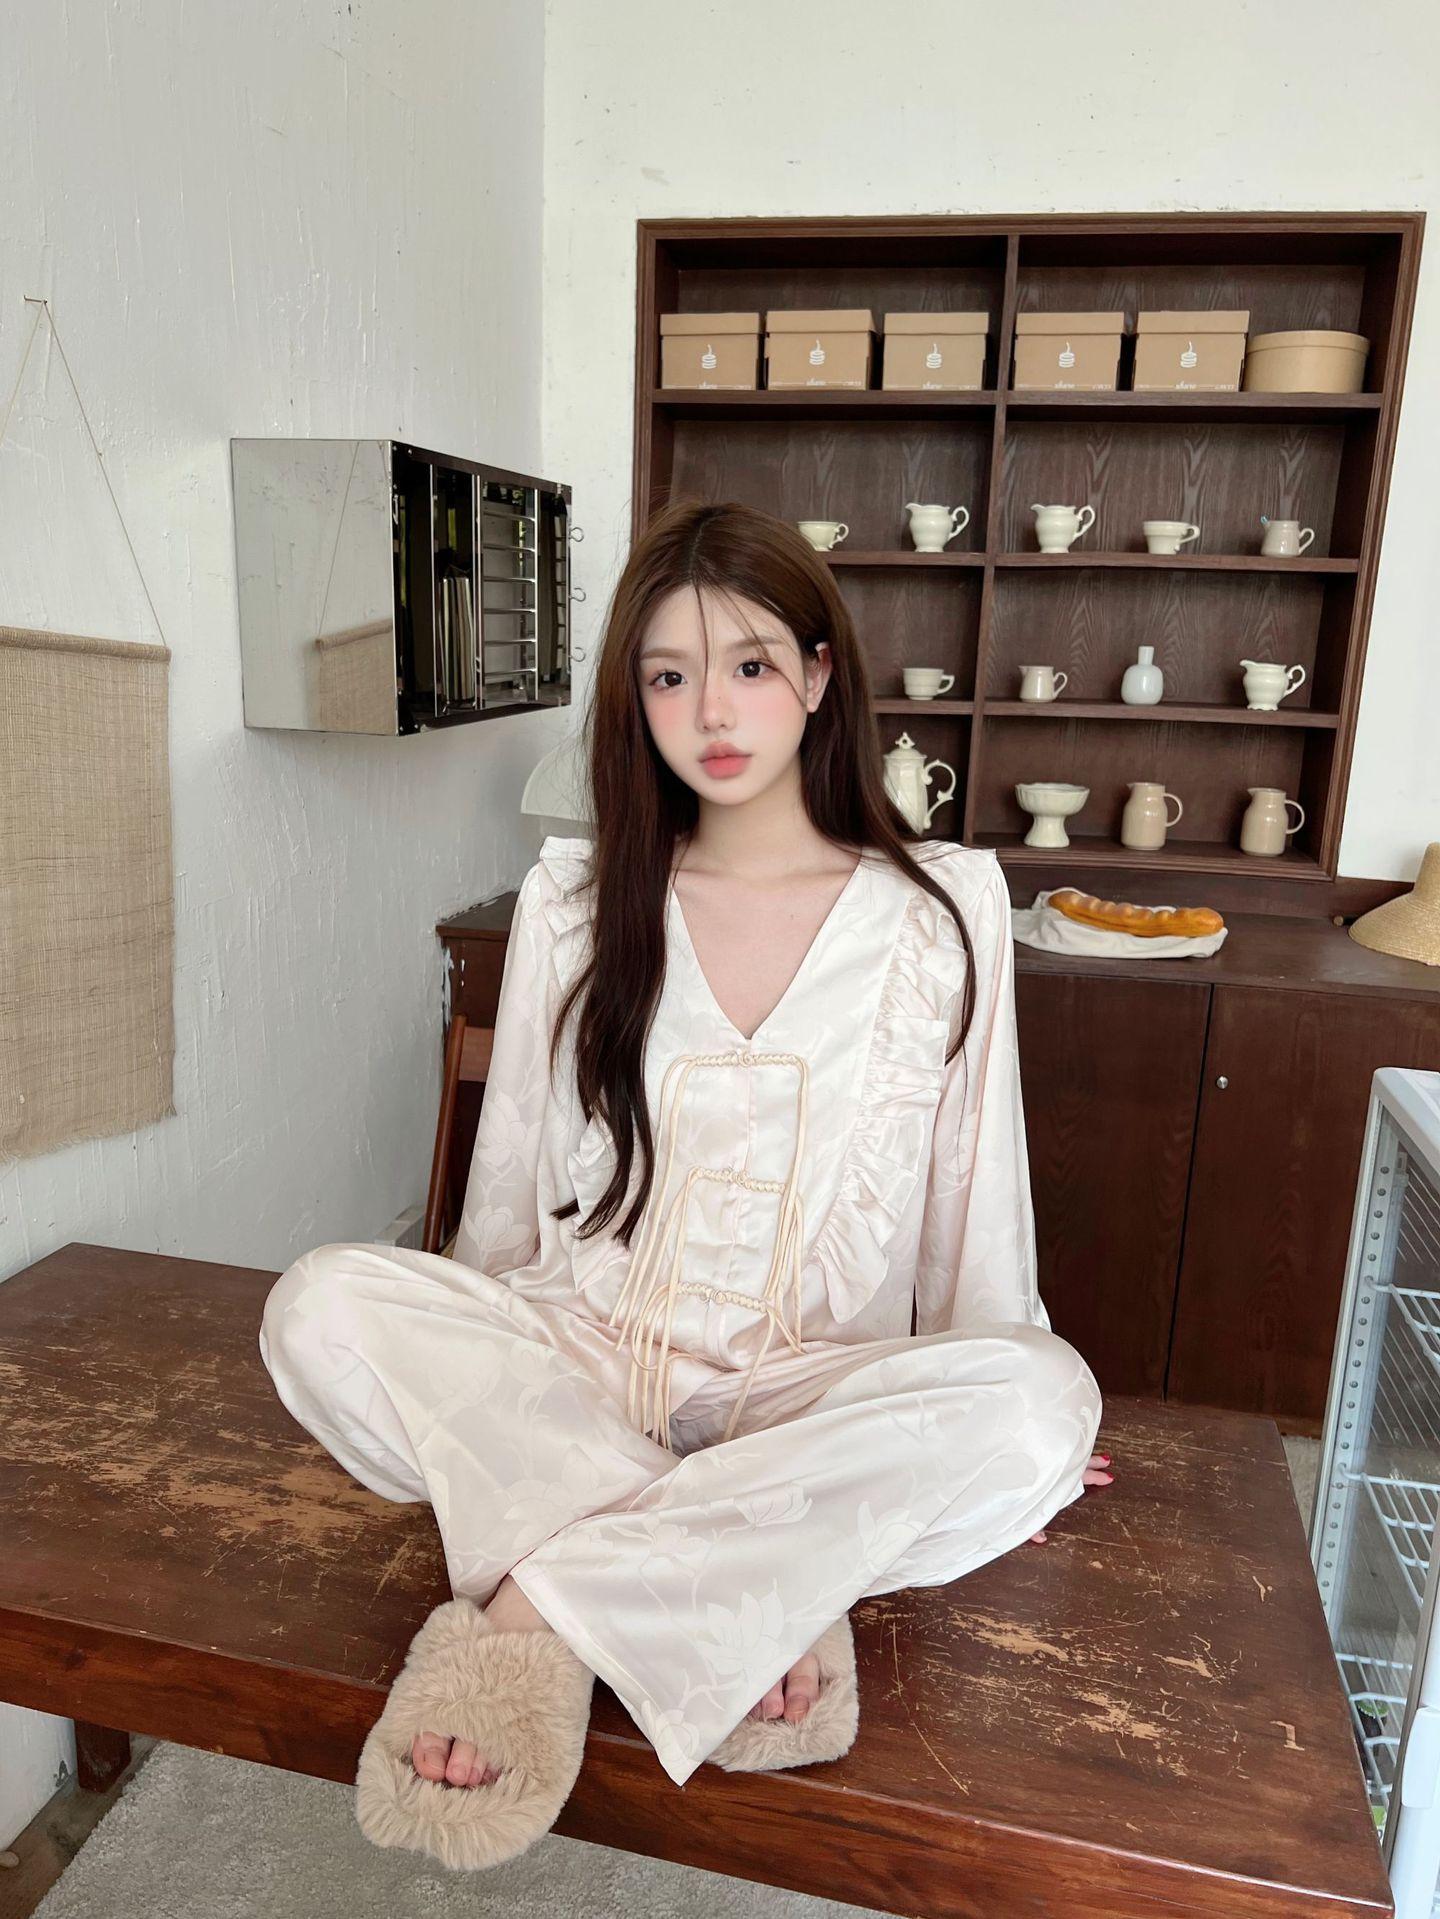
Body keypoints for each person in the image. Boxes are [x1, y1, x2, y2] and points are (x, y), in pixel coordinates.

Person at [259, 498, 1109, 1845]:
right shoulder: (577, 904)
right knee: (317, 1306)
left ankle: (536, 1610)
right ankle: (769, 1570)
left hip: (812, 1382)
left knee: (1042, 1403)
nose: (710, 710)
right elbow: (509, 1191)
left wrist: (998, 1426)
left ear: (820, 676)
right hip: (595, 1349)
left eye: (750, 664)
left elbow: (974, 1188)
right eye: (668, 676)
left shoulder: (942, 910)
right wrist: (492, 1372)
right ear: (635, 699)